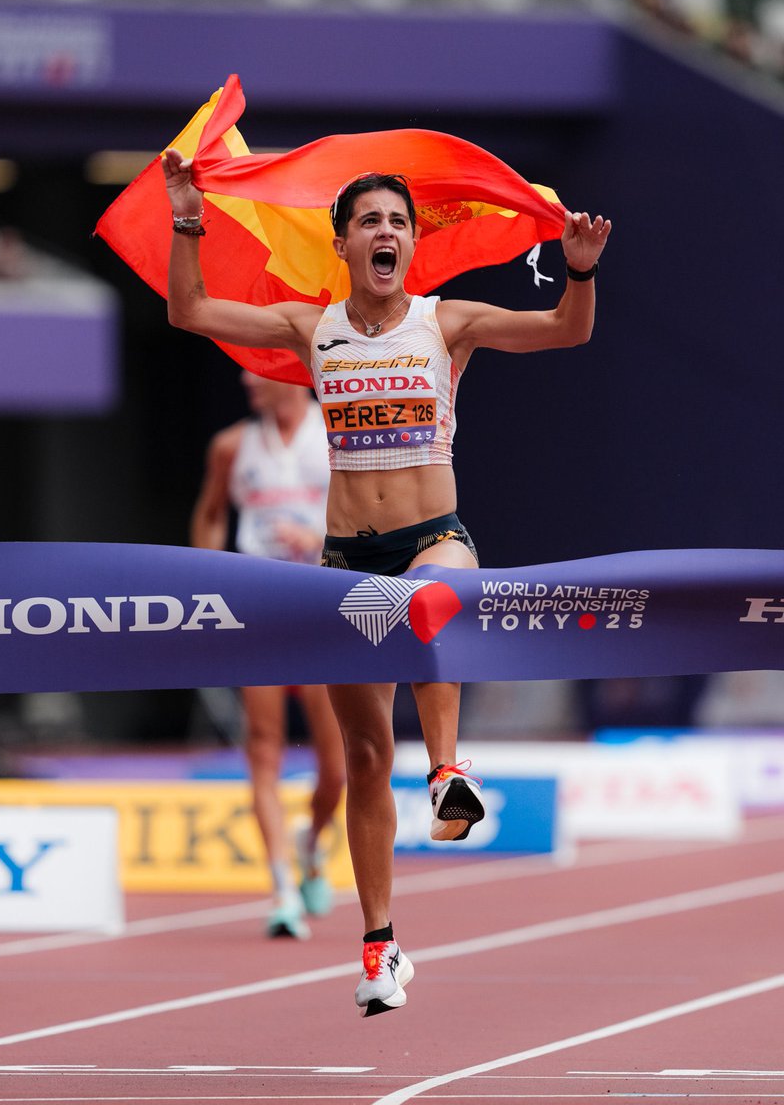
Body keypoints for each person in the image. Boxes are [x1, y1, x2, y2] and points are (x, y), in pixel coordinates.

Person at [163, 149, 611, 1015]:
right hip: (344, 562)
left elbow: (567, 328)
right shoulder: (310, 328)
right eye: (370, 221)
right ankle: (380, 947)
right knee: (367, 758)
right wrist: (190, 215)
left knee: (428, 604)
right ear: (343, 244)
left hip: (434, 539)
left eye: (399, 223)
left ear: (412, 245)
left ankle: (447, 770)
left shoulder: (449, 323)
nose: (386, 233)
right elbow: (189, 310)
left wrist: (581, 273)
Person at [190, 369, 345, 941]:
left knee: (336, 767)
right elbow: (210, 514)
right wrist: (205, 581)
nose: (243, 378)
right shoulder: (232, 446)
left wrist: (325, 542)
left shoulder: (336, 434)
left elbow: (371, 513)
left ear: (289, 371)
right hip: (257, 609)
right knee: (264, 750)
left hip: (321, 608)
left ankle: (310, 843)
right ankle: (281, 888)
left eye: (257, 368)